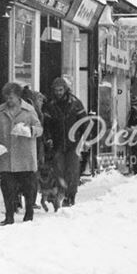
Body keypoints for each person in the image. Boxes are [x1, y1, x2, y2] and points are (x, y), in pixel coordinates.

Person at [0, 82, 43, 225]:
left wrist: (30, 131)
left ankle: (29, 213)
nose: (9, 100)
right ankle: (9, 216)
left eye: (11, 97)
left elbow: (39, 128)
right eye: (7, 97)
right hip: (6, 155)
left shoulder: (29, 110)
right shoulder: (0, 111)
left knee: (29, 187)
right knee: (7, 187)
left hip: (25, 155)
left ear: (18, 97)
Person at [43, 77, 88, 206]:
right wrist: (48, 138)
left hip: (73, 142)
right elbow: (46, 124)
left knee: (72, 171)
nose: (58, 92)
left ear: (65, 89)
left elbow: (84, 122)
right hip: (57, 143)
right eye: (56, 90)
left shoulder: (75, 103)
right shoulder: (50, 105)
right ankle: (60, 192)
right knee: (58, 170)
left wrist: (85, 139)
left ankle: (70, 196)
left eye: (60, 90)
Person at [126, 99, 137, 174]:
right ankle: (136, 168)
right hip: (134, 135)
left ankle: (135, 167)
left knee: (134, 152)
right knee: (135, 152)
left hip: (133, 134)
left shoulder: (132, 112)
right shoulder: (135, 112)